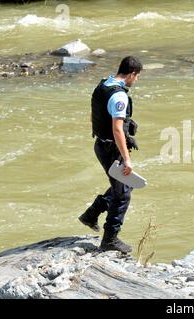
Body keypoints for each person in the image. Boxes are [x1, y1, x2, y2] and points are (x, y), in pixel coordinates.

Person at [79, 56, 142, 254]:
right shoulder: (119, 96)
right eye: (137, 76)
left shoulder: (104, 84)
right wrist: (127, 158)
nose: (137, 80)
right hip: (110, 149)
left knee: (121, 186)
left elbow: (95, 114)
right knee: (123, 193)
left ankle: (92, 214)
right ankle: (110, 240)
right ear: (131, 73)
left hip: (101, 144)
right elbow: (116, 129)